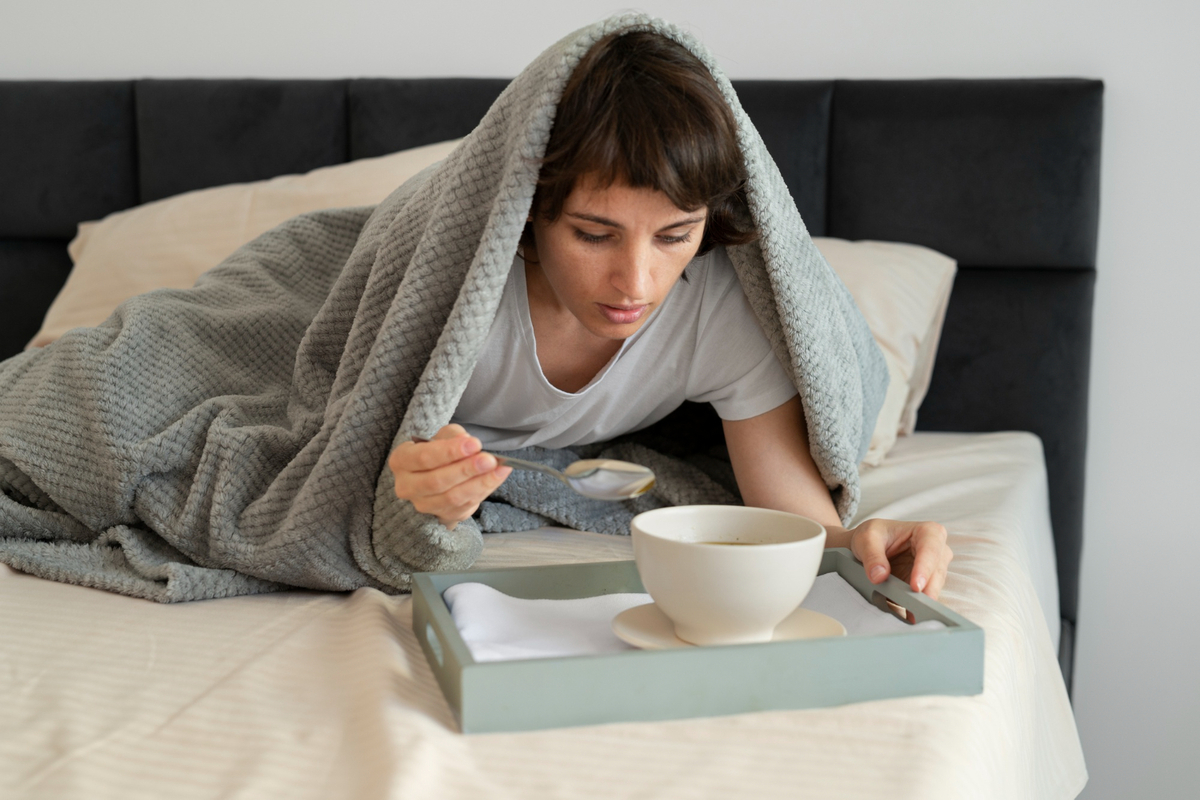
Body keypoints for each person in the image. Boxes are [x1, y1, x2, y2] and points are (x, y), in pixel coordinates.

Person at [387, 29, 953, 599]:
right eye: (592, 234)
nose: (635, 284)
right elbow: (343, 448)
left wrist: (865, 547)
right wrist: (404, 492)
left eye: (674, 234)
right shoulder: (453, 293)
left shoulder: (724, 307)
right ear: (529, 209)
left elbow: (798, 529)